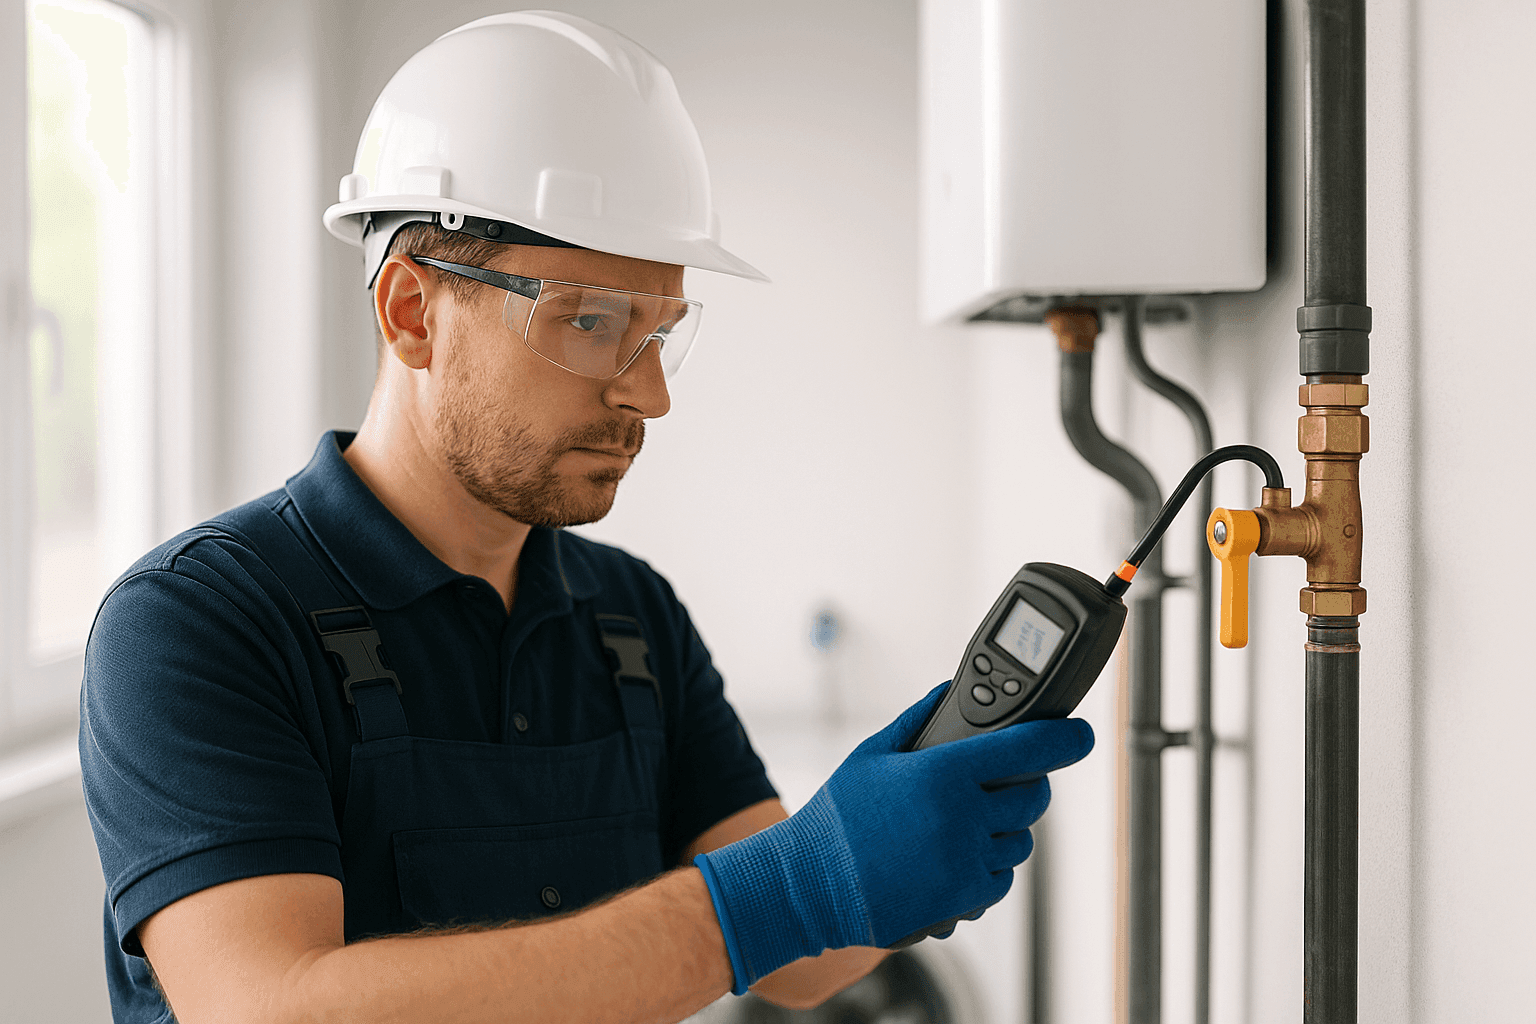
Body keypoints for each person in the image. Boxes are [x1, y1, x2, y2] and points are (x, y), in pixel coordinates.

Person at [79, 12, 1094, 1023]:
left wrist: (906, 837)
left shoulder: (629, 620)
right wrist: (790, 886)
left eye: (660, 331)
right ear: (411, 311)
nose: (649, 395)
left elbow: (804, 961)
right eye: (592, 321)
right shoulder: (198, 624)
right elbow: (273, 1008)